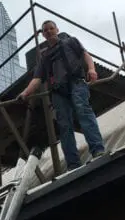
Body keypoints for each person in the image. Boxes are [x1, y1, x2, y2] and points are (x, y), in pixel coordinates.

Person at [18, 20, 105, 170]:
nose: (49, 31)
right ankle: (73, 164)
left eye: (51, 28)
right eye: (45, 30)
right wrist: (25, 93)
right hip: (58, 91)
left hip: (76, 82)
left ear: (57, 29)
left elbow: (86, 55)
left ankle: (97, 150)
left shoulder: (71, 42)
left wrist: (92, 69)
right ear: (43, 34)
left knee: (83, 112)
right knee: (64, 126)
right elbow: (37, 79)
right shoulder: (44, 57)